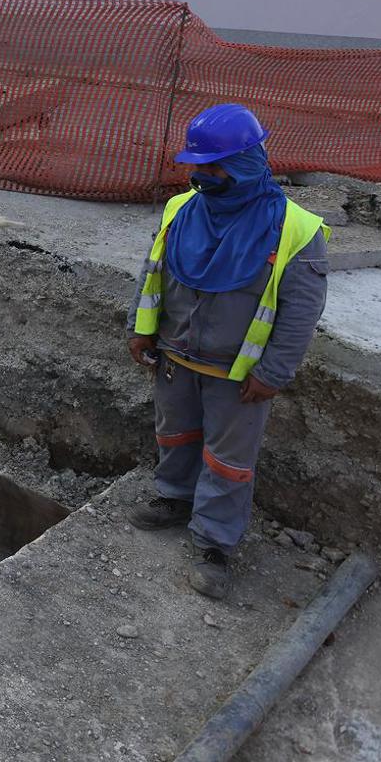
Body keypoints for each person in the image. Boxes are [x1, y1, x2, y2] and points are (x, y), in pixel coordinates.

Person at [126, 104, 328, 599]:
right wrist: (140, 328)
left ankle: (214, 542)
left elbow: (300, 311)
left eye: (213, 167)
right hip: (176, 357)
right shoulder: (181, 210)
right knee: (175, 435)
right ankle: (174, 498)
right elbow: (153, 272)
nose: (201, 175)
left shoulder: (296, 230)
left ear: (244, 164)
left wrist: (274, 372)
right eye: (198, 165)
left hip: (237, 375)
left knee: (227, 461)